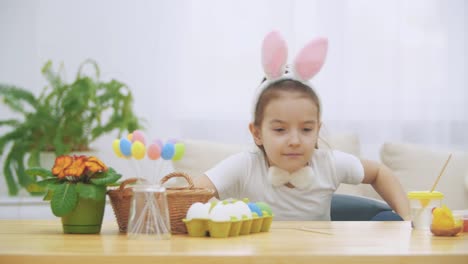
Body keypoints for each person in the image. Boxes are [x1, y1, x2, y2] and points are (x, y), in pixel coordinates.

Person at [194, 31, 411, 221]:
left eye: (306, 129)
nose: (295, 140)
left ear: (317, 130)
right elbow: (193, 192)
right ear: (257, 133)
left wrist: (407, 219)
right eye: (280, 130)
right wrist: (225, 212)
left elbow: (379, 172)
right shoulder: (246, 166)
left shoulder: (329, 164)